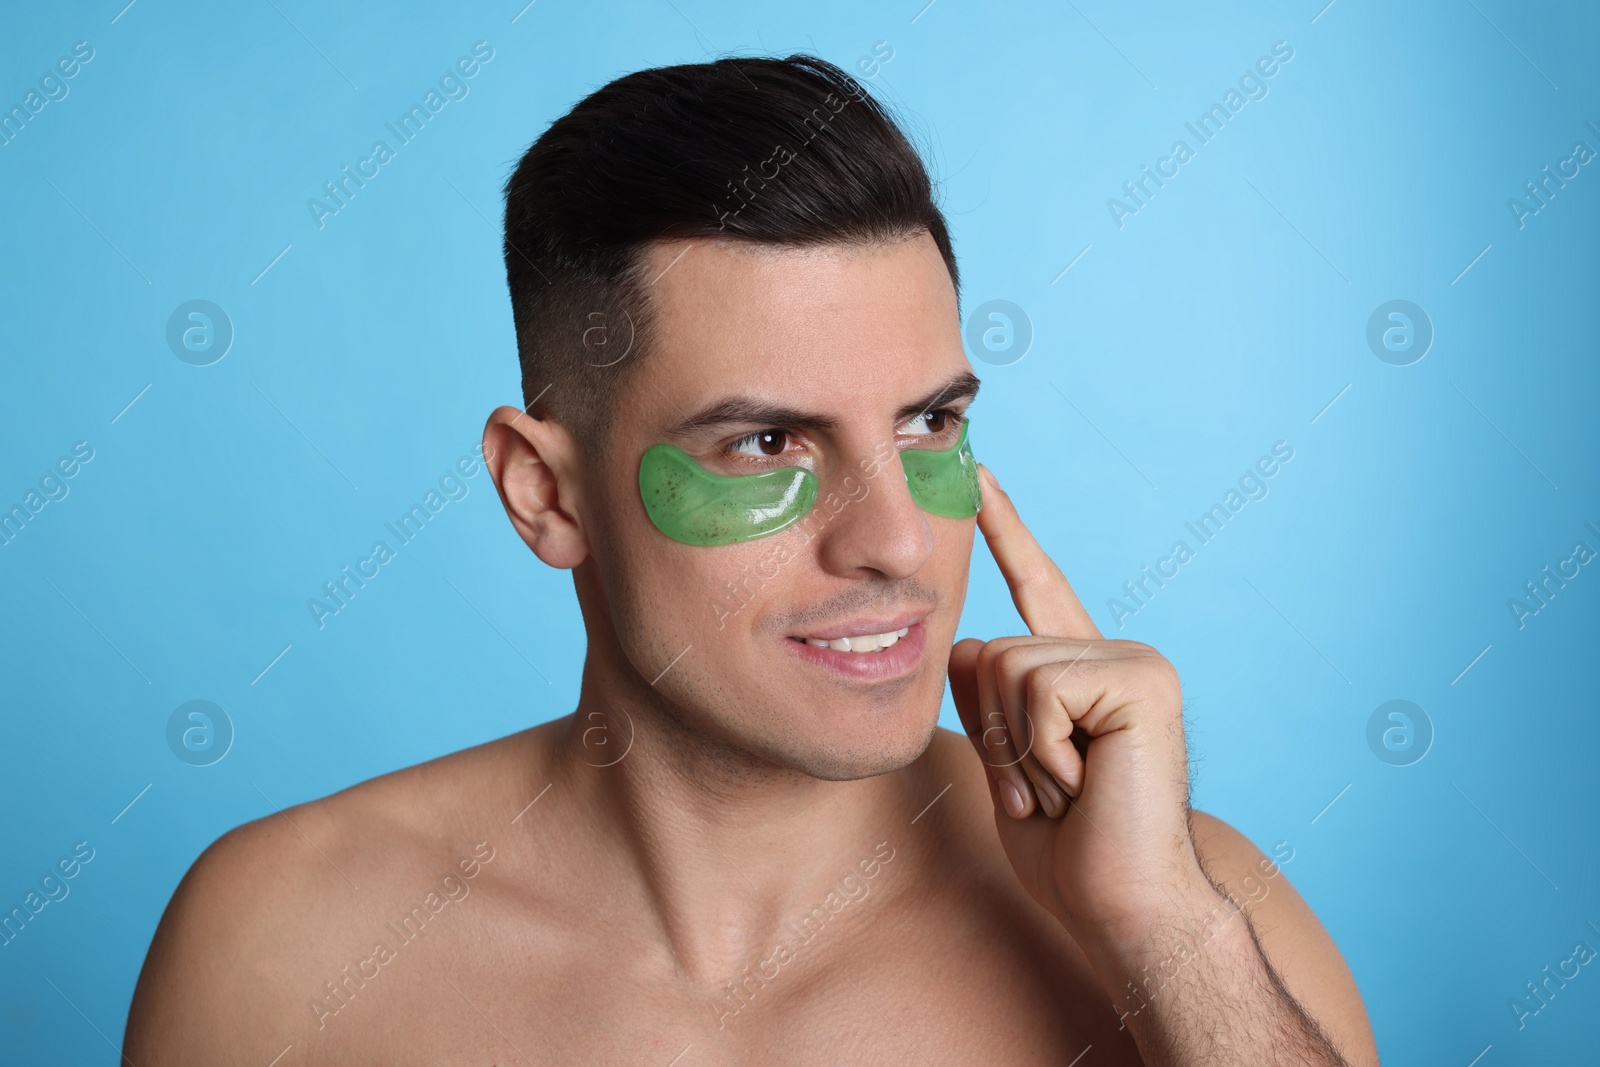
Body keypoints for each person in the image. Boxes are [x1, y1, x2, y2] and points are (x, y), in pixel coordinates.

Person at [125, 54, 1378, 1065]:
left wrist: (1163, 939)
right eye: (766, 440)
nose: (894, 542)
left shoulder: (1199, 921)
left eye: (927, 422)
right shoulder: (284, 943)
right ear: (545, 492)